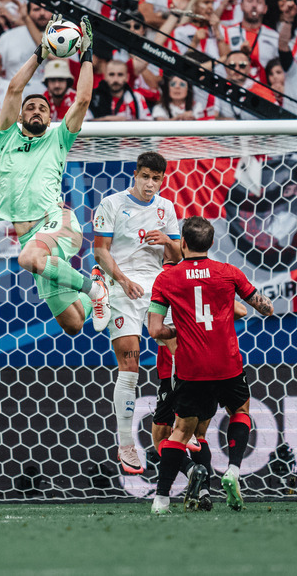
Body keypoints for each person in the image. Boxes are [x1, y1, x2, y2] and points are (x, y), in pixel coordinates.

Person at [147, 216, 274, 514]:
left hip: (192, 368)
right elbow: (264, 308)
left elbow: (155, 330)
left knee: (180, 431)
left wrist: (179, 331)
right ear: (212, 244)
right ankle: (232, 469)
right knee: (240, 411)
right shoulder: (228, 272)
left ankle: (161, 500)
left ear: (183, 243)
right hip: (228, 364)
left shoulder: (167, 279)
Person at [0, 15, 110, 335]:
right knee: (73, 324)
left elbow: (83, 98)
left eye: (42, 109)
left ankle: (94, 288)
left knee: (27, 258)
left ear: (50, 117)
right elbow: (15, 87)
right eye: (30, 108)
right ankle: (102, 283)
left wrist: (86, 53)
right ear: (19, 115)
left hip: (56, 221)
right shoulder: (8, 136)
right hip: (31, 235)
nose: (36, 111)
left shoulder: (58, 139)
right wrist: (41, 52)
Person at [92, 151, 180, 474]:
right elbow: (100, 250)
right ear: (135, 175)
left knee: (180, 352)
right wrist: (123, 280)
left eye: (156, 179)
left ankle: (181, 423)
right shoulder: (112, 204)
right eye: (145, 177)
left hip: (157, 289)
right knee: (130, 364)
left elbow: (180, 253)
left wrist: (167, 243)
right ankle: (126, 443)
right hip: (122, 287)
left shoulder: (166, 207)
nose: (150, 184)